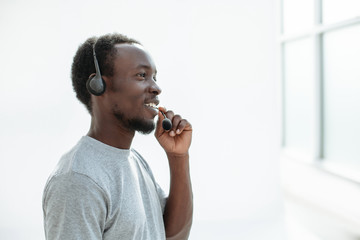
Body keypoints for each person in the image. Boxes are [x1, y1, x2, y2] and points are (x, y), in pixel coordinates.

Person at [42, 33, 193, 240]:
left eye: (154, 77)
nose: (156, 88)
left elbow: (173, 236)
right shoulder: (78, 179)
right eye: (141, 75)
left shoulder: (136, 162)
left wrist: (178, 158)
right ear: (99, 86)